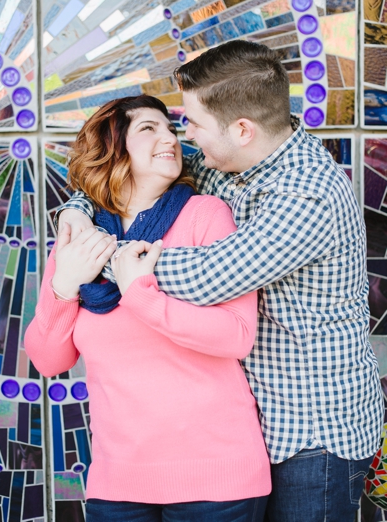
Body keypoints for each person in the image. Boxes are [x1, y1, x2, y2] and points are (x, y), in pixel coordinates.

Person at [58, 40, 383, 522]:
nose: (184, 137)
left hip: (314, 434)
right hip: (255, 426)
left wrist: (98, 259)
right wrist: (79, 214)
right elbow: (122, 178)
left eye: (191, 123)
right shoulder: (227, 161)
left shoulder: (308, 195)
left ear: (242, 130)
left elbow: (210, 277)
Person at [25, 94, 271, 522]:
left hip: (217, 479)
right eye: (148, 128)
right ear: (112, 147)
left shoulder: (205, 215)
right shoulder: (81, 236)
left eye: (171, 129)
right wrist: (64, 286)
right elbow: (49, 360)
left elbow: (236, 336)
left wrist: (140, 293)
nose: (169, 138)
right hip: (117, 480)